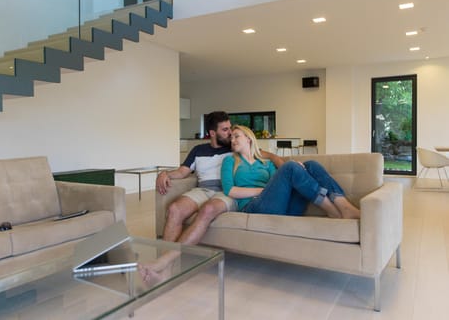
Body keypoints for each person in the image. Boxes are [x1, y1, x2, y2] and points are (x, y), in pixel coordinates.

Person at [140, 113, 283, 284]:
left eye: (230, 129)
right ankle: (166, 270)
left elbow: (261, 153)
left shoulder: (234, 147)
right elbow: (182, 172)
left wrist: (280, 161)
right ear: (212, 133)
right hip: (202, 190)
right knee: (174, 209)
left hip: (225, 192)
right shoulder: (198, 150)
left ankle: (163, 264)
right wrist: (164, 173)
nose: (230, 133)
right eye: (225, 129)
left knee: (208, 209)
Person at [221, 125, 360, 219]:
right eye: (231, 138)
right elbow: (230, 191)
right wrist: (263, 191)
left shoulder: (266, 162)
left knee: (311, 165)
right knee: (290, 167)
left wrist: (297, 171)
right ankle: (332, 210)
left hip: (283, 208)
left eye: (236, 136)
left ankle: (343, 204)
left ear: (249, 139)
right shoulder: (230, 160)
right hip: (254, 207)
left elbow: (279, 184)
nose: (232, 140)